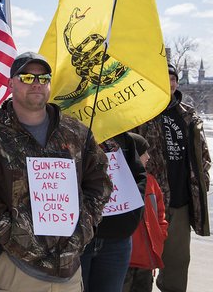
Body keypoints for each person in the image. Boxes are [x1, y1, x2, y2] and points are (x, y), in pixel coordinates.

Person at [0, 51, 113, 292]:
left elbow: (99, 182)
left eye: (43, 78)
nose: (36, 84)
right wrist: (12, 233)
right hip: (15, 267)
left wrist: (84, 226)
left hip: (68, 270)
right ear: (11, 83)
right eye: (27, 78)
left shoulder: (76, 134)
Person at [133, 63, 211, 292]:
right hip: (148, 202)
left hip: (179, 201)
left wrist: (201, 181)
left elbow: (202, 156)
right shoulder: (140, 113)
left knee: (177, 265)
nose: (169, 83)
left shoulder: (188, 116)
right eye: (163, 78)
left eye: (173, 78)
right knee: (141, 264)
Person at [80, 132, 147, 292]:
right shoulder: (65, 135)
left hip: (116, 239)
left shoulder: (122, 139)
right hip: (78, 239)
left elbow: (139, 176)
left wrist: (130, 213)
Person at [123, 132, 168, 292]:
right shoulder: (117, 182)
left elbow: (160, 213)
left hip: (147, 260)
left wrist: (160, 235)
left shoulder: (151, 182)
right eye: (143, 152)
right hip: (124, 261)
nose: (148, 156)